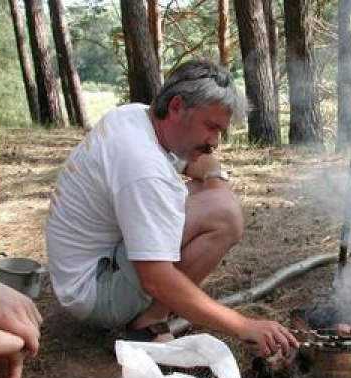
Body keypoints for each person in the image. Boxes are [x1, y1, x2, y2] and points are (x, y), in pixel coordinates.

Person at [46, 59, 297, 357]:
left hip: (85, 267)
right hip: (94, 291)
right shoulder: (144, 167)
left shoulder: (135, 117)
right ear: (177, 106)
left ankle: (148, 310)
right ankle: (148, 321)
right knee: (225, 217)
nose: (214, 142)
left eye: (221, 132)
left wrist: (217, 181)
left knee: (215, 201)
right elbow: (155, 277)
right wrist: (242, 325)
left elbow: (201, 163)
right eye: (211, 127)